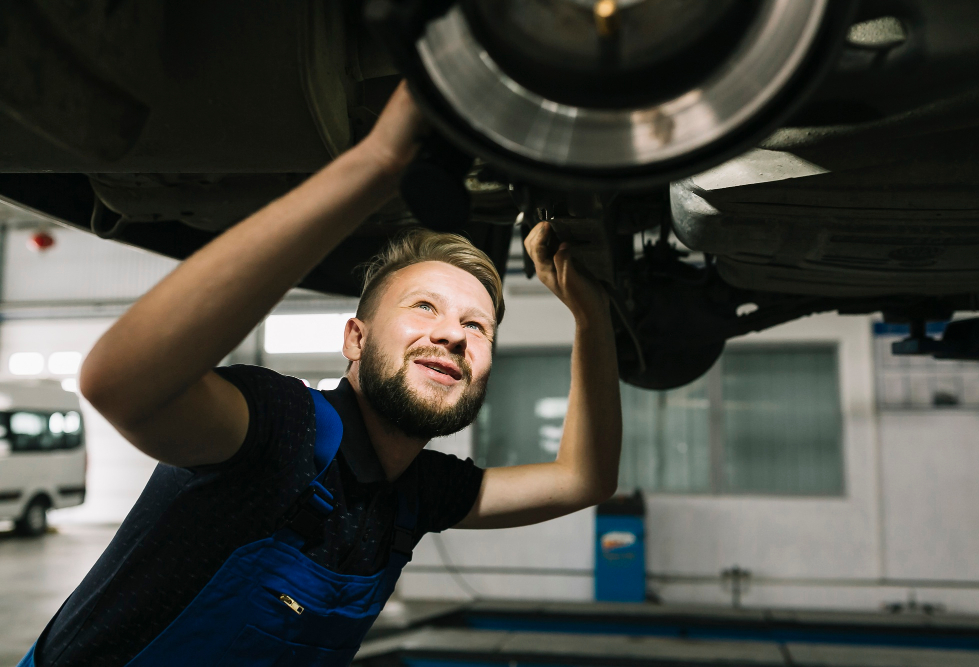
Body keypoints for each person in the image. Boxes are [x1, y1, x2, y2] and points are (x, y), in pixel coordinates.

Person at [20, 83, 622, 667]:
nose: (454, 335)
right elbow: (119, 383)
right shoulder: (279, 433)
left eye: (478, 327)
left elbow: (583, 479)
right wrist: (377, 164)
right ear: (354, 340)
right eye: (424, 307)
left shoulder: (416, 492)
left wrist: (591, 319)